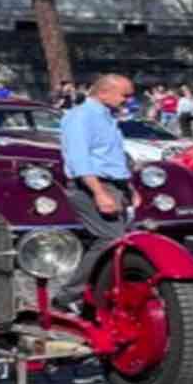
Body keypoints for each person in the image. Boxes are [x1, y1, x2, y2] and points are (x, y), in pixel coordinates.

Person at [55, 74, 140, 312]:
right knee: (109, 240)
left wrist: (128, 187)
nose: (129, 101)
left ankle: (100, 292)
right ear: (104, 92)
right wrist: (99, 193)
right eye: (125, 95)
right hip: (92, 186)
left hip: (113, 185)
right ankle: (68, 296)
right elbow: (79, 159)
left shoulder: (106, 116)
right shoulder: (81, 117)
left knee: (120, 241)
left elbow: (111, 156)